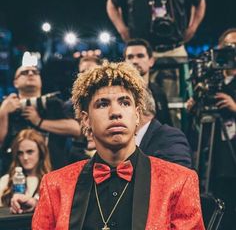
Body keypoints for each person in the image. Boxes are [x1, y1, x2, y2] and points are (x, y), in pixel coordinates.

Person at [32, 61, 205, 229]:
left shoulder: (179, 181)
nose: (115, 112)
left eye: (124, 103)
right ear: (86, 119)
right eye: (103, 104)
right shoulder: (54, 185)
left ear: (137, 115)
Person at [107, 0, 206, 100]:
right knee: (139, 100)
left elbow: (200, 0)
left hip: (174, 49)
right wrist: (122, 29)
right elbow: (111, 3)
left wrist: (193, 28)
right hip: (142, 52)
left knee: (176, 104)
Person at [187, 28, 236, 229]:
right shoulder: (210, 80)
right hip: (214, 155)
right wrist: (195, 107)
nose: (232, 50)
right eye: (228, 46)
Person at [0, 65, 81, 173]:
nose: (30, 74)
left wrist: (39, 122)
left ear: (40, 81)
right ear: (15, 83)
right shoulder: (6, 106)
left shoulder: (53, 103)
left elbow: (76, 129)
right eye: (24, 72)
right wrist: (3, 112)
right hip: (15, 176)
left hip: (54, 172)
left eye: (35, 72)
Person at [137, 88, 192, 168]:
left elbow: (179, 177)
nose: (115, 112)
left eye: (125, 104)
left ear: (140, 108)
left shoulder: (170, 138)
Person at [0, 129, 51, 214]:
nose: (25, 157)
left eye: (30, 152)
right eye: (20, 153)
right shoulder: (6, 180)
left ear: (41, 152)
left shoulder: (51, 181)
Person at [124, 38, 172, 125]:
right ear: (125, 62)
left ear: (151, 61)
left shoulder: (159, 92)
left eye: (140, 56)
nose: (134, 61)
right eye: (130, 57)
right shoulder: (116, 93)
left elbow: (167, 125)